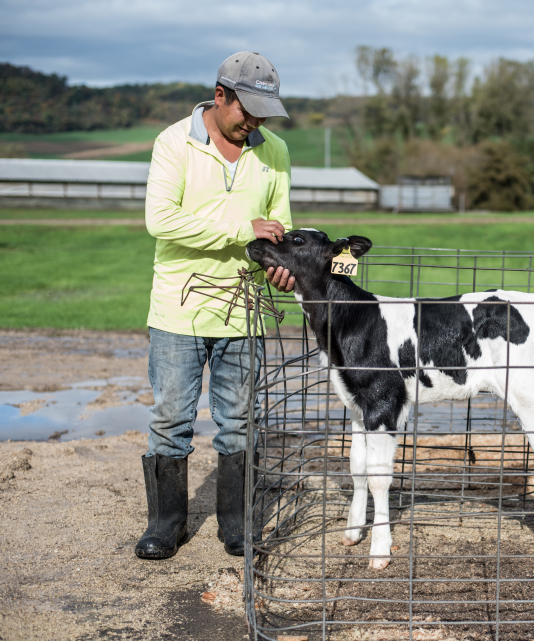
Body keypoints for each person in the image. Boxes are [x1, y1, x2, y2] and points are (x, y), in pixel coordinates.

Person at [136, 51, 295, 560]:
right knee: (170, 418)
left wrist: (280, 261)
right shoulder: (173, 143)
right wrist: (241, 231)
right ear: (220, 95)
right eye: (247, 110)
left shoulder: (274, 152)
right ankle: (166, 525)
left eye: (264, 113)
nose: (254, 122)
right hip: (177, 310)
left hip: (242, 309)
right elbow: (161, 221)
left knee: (240, 419)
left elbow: (278, 223)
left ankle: (237, 525)